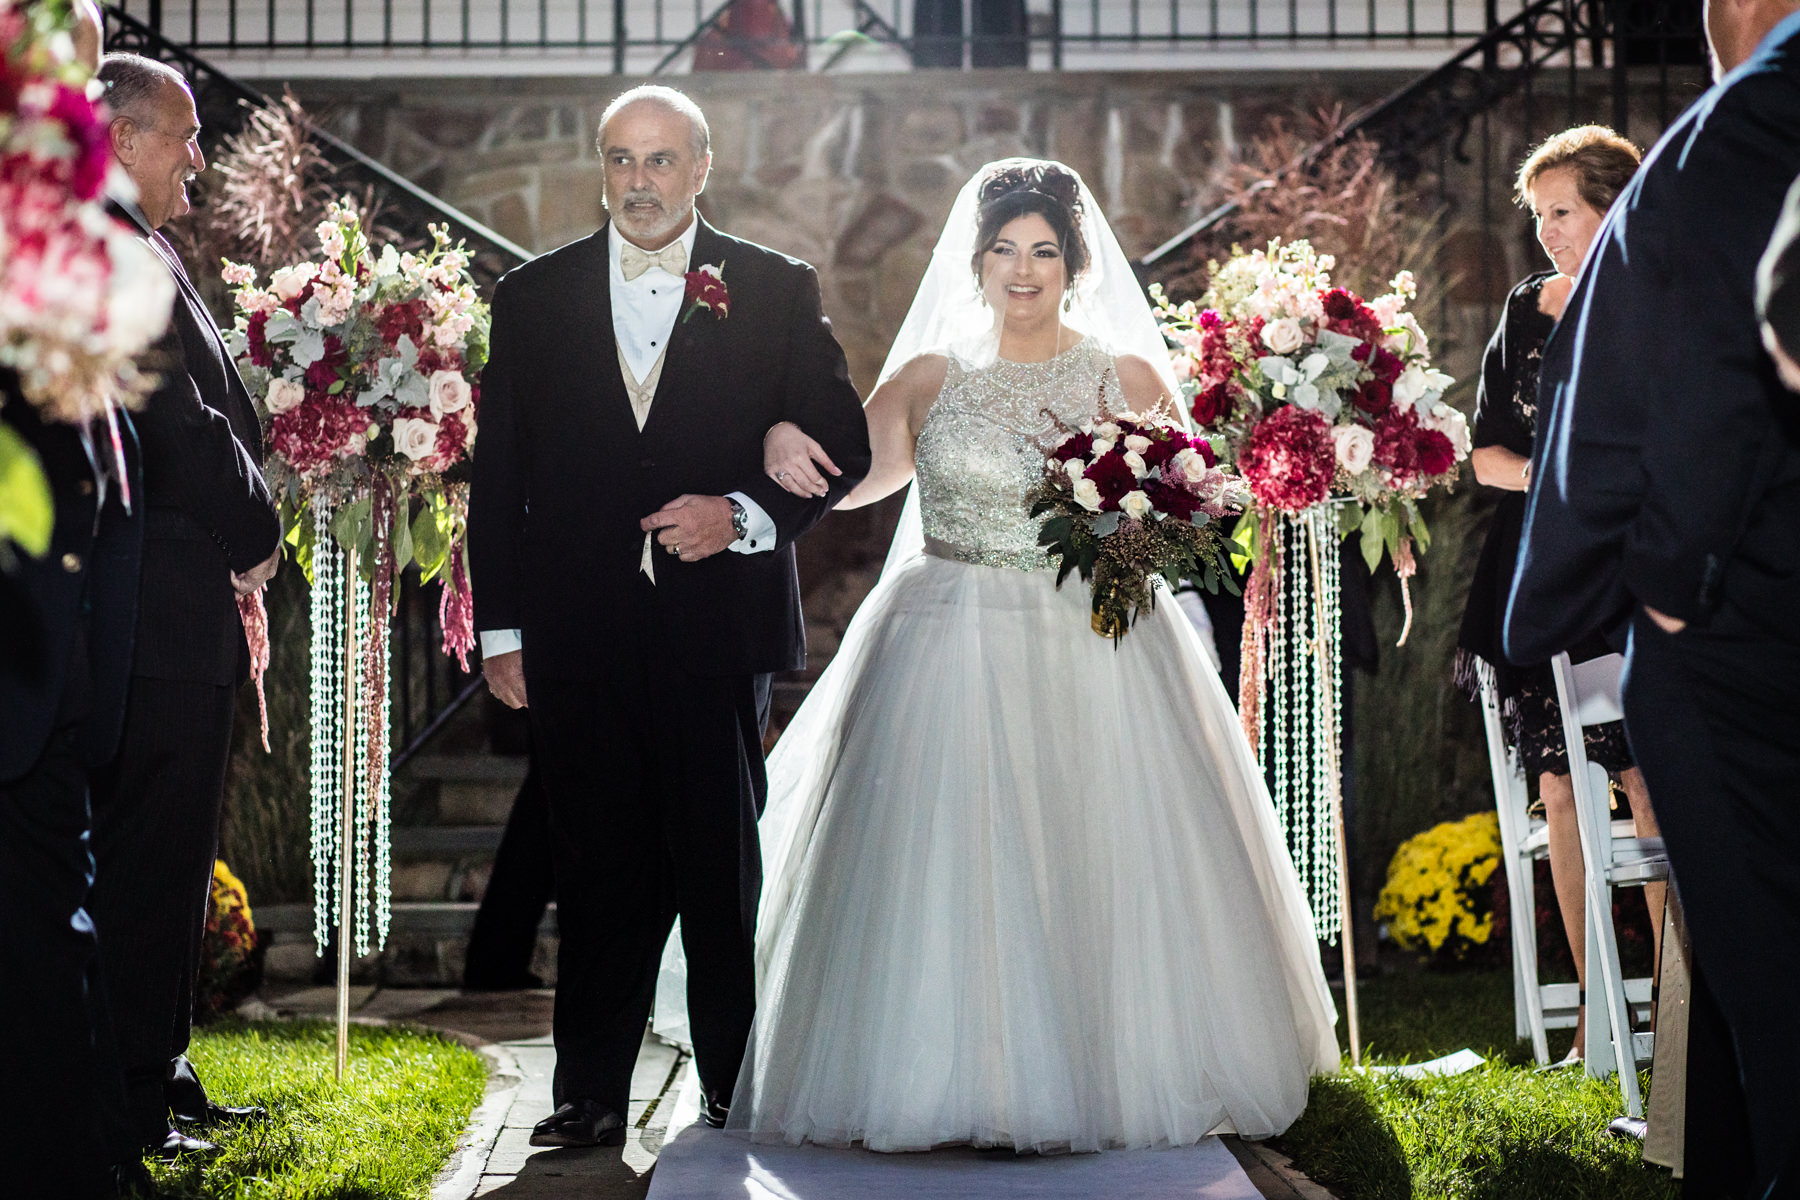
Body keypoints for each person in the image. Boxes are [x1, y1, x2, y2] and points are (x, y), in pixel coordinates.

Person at [735, 160, 1338, 1151]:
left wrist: (1126, 560)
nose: (1024, 270)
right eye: (1005, 251)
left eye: (1043, 252)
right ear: (975, 264)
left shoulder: (1124, 377)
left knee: (1093, 850)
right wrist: (778, 446)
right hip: (941, 632)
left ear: (1073, 262)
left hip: (1091, 641)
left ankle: (1103, 1066)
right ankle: (937, 1076)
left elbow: (1183, 509)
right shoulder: (928, 377)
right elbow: (853, 481)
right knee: (942, 857)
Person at [467, 84, 871, 1148]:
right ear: (601, 169)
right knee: (594, 864)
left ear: (702, 168)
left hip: (715, 631)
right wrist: (502, 630)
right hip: (576, 632)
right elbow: (499, 471)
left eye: (660, 160)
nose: (639, 182)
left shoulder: (776, 288)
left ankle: (735, 1081)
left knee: (717, 862)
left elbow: (843, 440)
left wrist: (741, 512)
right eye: (621, 160)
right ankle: (588, 1093)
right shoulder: (533, 294)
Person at [1506, 0, 1800, 1192]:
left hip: (1739, 624)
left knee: (1775, 988)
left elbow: (1727, 350)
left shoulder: (1758, 118)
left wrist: (1672, 581)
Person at [89, 53, 283, 1160]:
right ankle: (129, 1096)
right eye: (186, 136)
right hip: (154, 613)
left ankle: (161, 1067)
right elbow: (178, 424)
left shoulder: (148, 245)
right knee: (148, 858)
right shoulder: (113, 254)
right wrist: (257, 532)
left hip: (182, 613)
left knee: (175, 853)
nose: (200, 160)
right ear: (120, 138)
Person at [1454, 126, 1662, 1063]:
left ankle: (1687, 1009)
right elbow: (1483, 449)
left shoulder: (1657, 294)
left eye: (1562, 212)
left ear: (1612, 203)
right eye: (1538, 215)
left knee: (1648, 783)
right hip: (1537, 574)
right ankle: (1594, 1020)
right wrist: (1560, 478)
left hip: (1629, 576)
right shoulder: (1523, 307)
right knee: (1560, 792)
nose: (1546, 233)